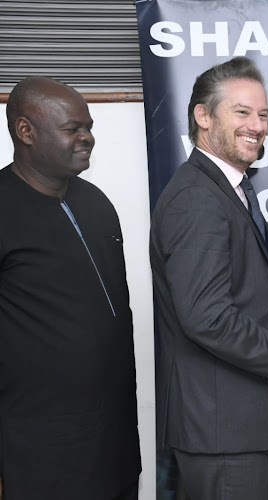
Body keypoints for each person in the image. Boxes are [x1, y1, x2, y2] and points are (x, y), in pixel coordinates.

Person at [150, 56, 268, 500]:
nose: (256, 125)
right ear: (203, 115)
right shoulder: (198, 198)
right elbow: (208, 317)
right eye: (241, 112)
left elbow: (253, 301)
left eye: (262, 115)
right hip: (223, 433)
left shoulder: (226, 188)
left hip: (237, 429)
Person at [0, 77, 141, 499]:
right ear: (26, 131)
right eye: (73, 128)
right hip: (38, 457)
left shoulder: (97, 203)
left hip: (113, 446)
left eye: (90, 126)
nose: (88, 138)